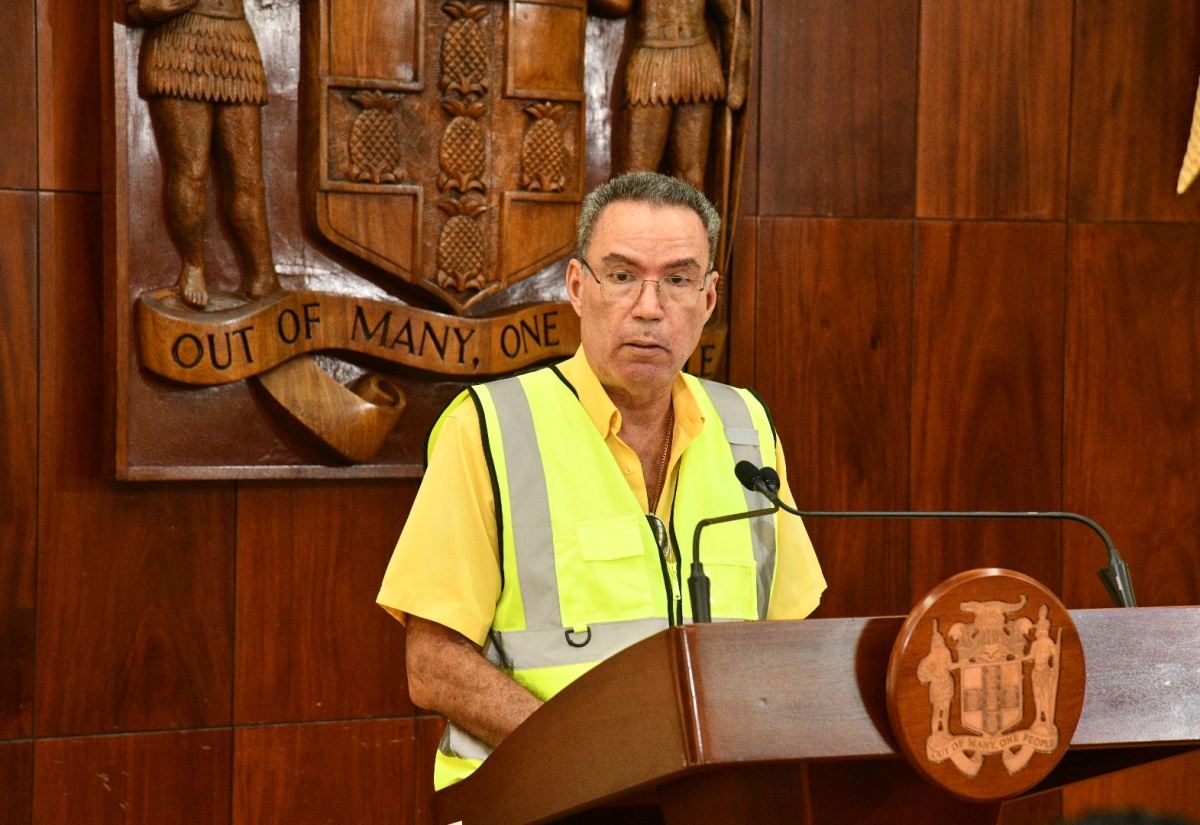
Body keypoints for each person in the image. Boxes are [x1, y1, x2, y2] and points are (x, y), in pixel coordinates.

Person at [377, 171, 825, 789]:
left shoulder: (746, 427)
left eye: (676, 279)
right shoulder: (491, 427)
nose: (649, 306)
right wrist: (594, 760)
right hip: (538, 797)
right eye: (621, 276)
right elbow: (432, 665)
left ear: (709, 299)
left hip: (712, 802)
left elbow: (787, 637)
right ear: (577, 287)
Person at [127, 0, 281, 309]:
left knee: (248, 177)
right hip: (179, 45)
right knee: (191, 172)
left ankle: (263, 274)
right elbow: (133, 8)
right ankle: (194, 266)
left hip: (234, 41)